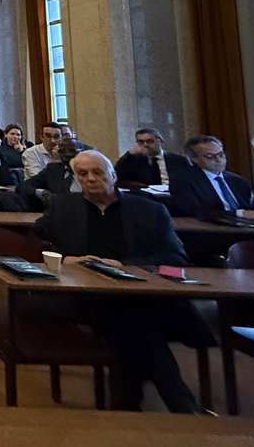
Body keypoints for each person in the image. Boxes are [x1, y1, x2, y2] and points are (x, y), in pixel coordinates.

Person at [32, 150, 208, 414]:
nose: (91, 179)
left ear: (113, 174)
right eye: (83, 174)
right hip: (86, 293)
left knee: (130, 315)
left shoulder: (150, 210)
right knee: (135, 321)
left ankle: (127, 400)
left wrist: (126, 265)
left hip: (143, 293)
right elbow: (33, 242)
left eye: (98, 172)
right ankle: (179, 404)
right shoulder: (63, 207)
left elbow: (176, 258)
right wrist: (65, 258)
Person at [168, 135, 254, 221]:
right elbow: (195, 212)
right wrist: (240, 214)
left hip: (247, 227)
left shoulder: (238, 181)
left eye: (221, 154)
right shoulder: (182, 179)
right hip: (212, 230)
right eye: (210, 156)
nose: (219, 160)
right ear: (194, 159)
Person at [114, 127, 192, 189]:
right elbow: (117, 176)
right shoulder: (134, 160)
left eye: (149, 141)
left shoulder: (179, 160)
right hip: (147, 197)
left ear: (160, 141)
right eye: (141, 142)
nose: (145, 145)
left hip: (173, 195)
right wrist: (128, 154)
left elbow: (191, 181)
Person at [19, 136, 83, 209]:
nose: (67, 154)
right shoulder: (53, 169)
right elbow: (23, 186)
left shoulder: (90, 171)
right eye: (62, 151)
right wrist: (39, 192)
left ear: (81, 152)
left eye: (71, 150)